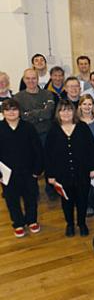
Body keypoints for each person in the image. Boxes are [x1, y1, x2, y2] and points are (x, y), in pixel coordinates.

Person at [45, 100, 94, 237]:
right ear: (58, 113)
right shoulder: (53, 130)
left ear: (74, 112)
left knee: (82, 199)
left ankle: (82, 223)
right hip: (62, 173)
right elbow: (48, 155)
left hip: (82, 172)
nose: (66, 113)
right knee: (66, 201)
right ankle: (70, 224)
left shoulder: (82, 127)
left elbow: (91, 149)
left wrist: (93, 168)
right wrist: (50, 175)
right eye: (63, 110)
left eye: (69, 110)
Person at [0, 99, 43, 238]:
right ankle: (18, 223)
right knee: (12, 200)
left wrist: (37, 170)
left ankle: (31, 220)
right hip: (6, 173)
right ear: (3, 112)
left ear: (19, 111)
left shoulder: (28, 127)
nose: (11, 112)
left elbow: (38, 150)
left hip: (28, 171)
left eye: (14, 109)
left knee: (31, 197)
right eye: (7, 109)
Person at [14, 68, 55, 145]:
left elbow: (48, 114)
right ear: (23, 79)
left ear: (37, 79)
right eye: (28, 78)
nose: (31, 81)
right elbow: (22, 118)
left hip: (46, 135)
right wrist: (41, 114)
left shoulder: (48, 94)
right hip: (27, 136)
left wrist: (30, 113)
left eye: (34, 78)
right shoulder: (17, 98)